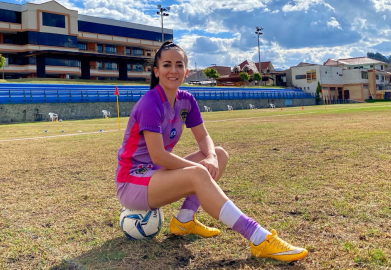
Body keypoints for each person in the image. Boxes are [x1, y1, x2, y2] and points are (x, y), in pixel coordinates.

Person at [115, 41, 308, 262]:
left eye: (179, 65)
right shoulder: (150, 103)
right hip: (132, 181)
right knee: (199, 173)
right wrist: (200, 168)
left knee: (220, 154)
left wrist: (211, 157)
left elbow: (203, 137)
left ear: (186, 72)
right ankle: (260, 239)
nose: (173, 70)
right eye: (167, 65)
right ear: (157, 71)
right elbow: (158, 156)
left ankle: (184, 221)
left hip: (156, 174)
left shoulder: (186, 100)